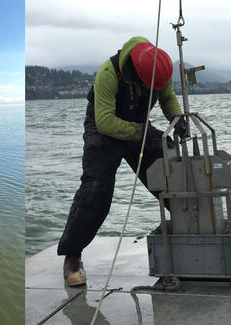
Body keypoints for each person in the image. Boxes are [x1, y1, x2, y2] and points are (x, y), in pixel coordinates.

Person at [57, 36, 185, 287]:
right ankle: (72, 256)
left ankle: (195, 233)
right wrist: (143, 132)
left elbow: (168, 98)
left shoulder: (161, 68)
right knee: (95, 190)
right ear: (133, 72)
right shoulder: (108, 73)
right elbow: (105, 122)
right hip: (103, 129)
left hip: (138, 127)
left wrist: (177, 118)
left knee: (170, 173)